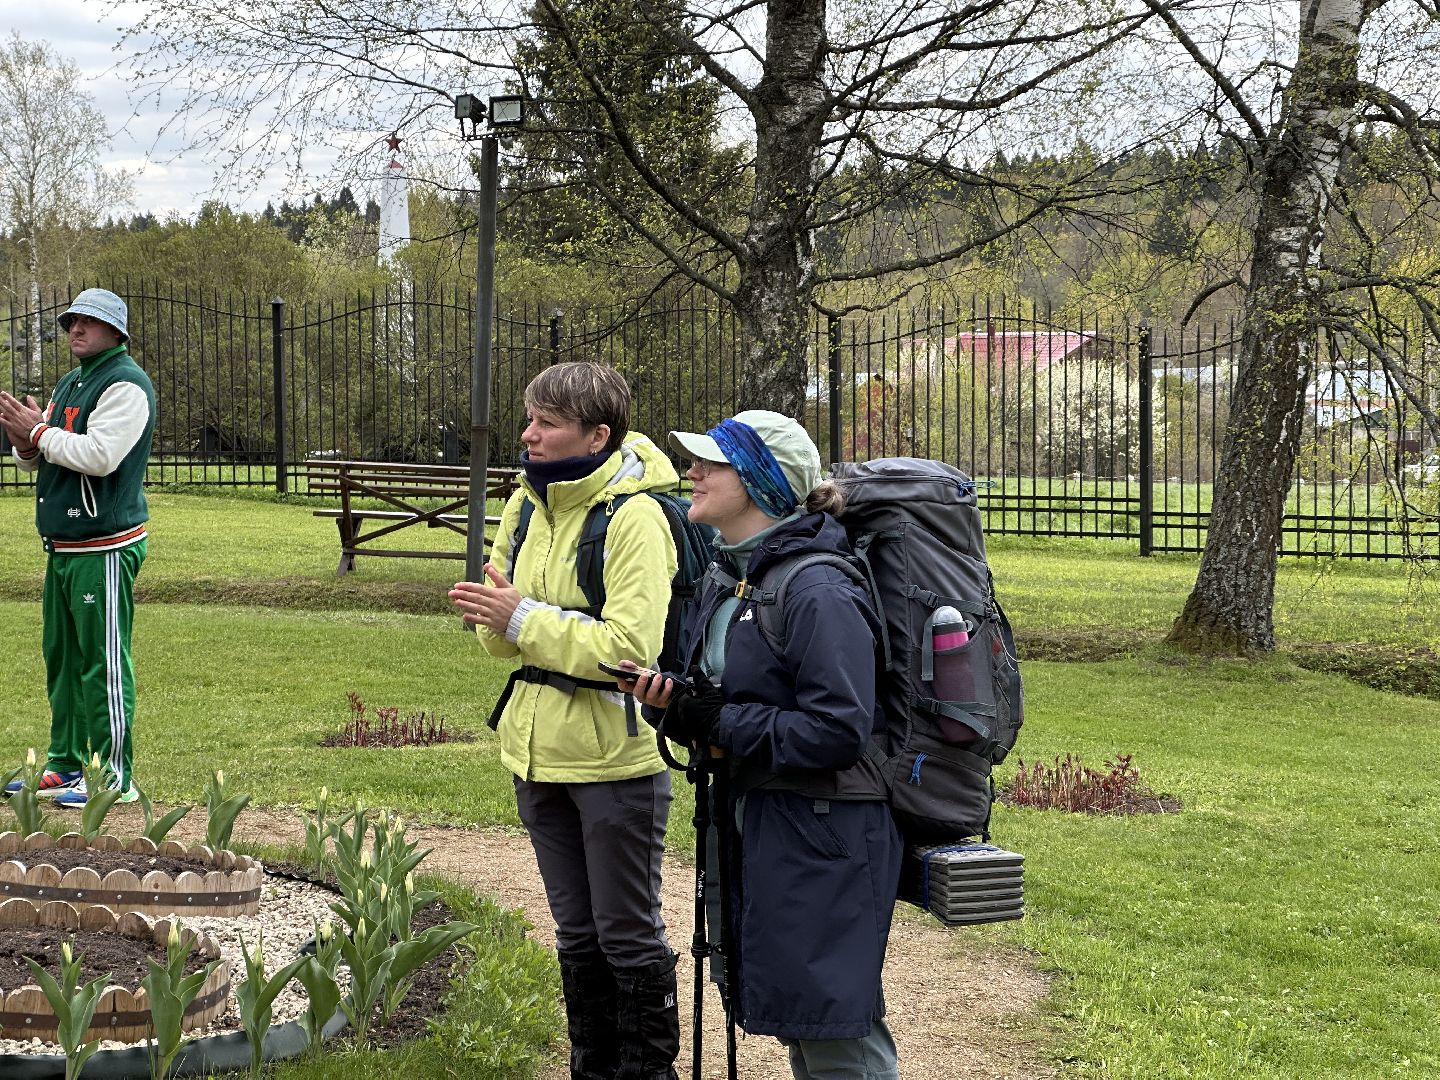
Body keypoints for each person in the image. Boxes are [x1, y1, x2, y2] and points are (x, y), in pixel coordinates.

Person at [629, 409, 904, 1080]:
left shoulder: (815, 587)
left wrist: (718, 720)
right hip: (768, 819)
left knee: (835, 1025)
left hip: (824, 829)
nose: (691, 472)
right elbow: (734, 700)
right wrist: (681, 709)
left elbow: (838, 730)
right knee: (800, 1016)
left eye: (711, 463)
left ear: (759, 480)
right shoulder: (737, 579)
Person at [448, 361, 682, 1080]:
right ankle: (593, 1068)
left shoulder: (634, 515)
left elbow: (629, 650)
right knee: (576, 933)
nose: (529, 434)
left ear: (597, 433)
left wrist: (522, 617)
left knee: (625, 933)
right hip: (535, 751)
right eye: (530, 418)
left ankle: (646, 1074)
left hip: (616, 760)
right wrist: (505, 621)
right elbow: (497, 634)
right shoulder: (525, 504)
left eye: (547, 423)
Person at [0, 288, 155, 809]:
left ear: (117, 333)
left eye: (90, 322)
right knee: (62, 660)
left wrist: (37, 431)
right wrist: (25, 442)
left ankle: (115, 777)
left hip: (104, 546)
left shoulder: (126, 384)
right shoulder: (72, 381)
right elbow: (39, 459)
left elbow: (100, 455)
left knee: (103, 661)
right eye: (72, 321)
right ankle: (66, 766)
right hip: (65, 547)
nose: (76, 329)